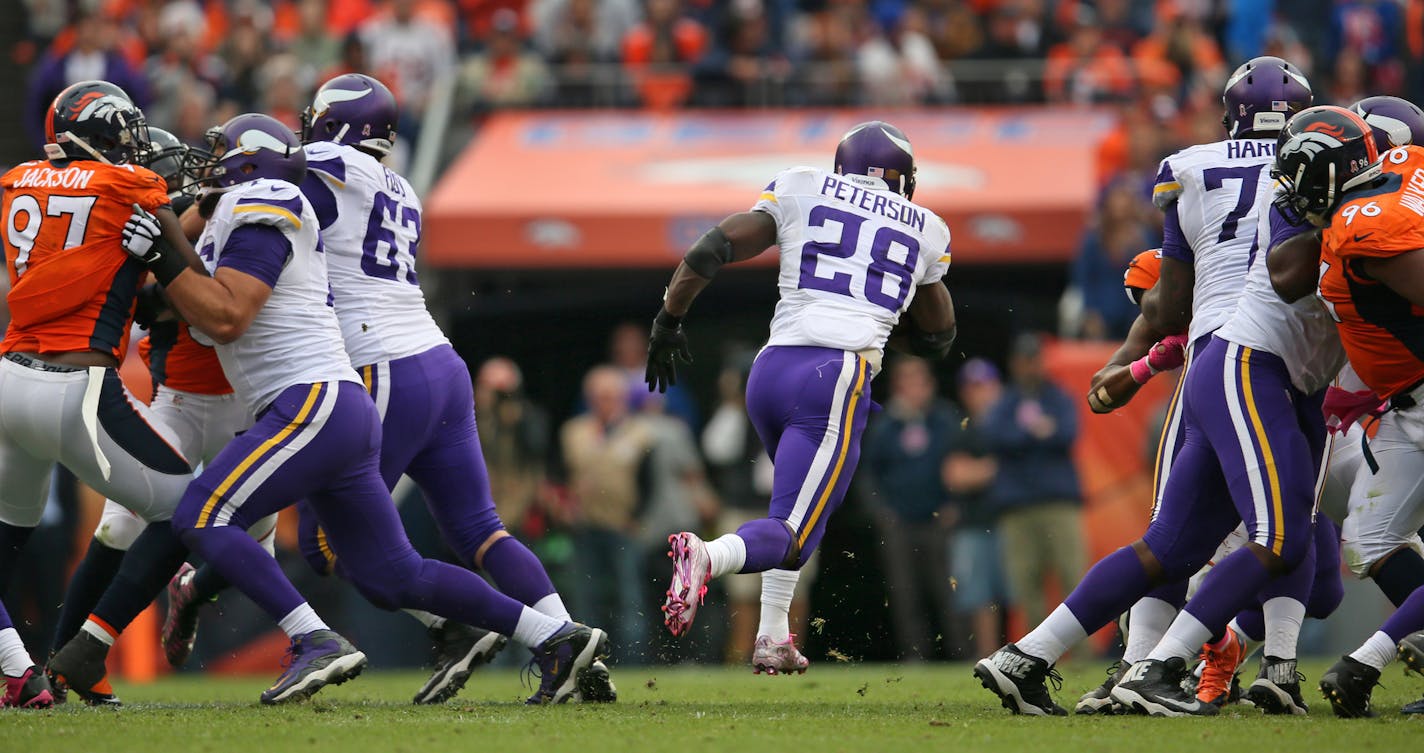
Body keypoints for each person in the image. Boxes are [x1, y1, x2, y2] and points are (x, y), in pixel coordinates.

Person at [48, 112, 608, 707]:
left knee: (201, 515)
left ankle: (312, 639)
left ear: (254, 166)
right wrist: (157, 259)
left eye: (221, 155)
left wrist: (164, 254)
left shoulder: (267, 200)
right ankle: (554, 637)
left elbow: (224, 316)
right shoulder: (241, 216)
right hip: (345, 400)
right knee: (392, 575)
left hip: (314, 400)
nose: (208, 166)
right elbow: (188, 309)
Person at [975, 55, 1316, 717]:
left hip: (1210, 359)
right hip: (1261, 361)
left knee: (1170, 546)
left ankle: (1027, 655)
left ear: (1230, 116)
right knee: (1284, 534)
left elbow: (1168, 305)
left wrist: (1143, 358)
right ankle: (1165, 666)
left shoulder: (1188, 168)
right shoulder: (1315, 171)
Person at [645, 120, 957, 646]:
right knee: (793, 533)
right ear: (902, 177)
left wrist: (667, 322)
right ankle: (707, 555)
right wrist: (876, 319)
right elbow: (937, 339)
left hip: (770, 371)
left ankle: (772, 636)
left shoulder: (802, 183)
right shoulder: (927, 226)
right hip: (833, 376)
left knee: (791, 511)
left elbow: (710, 248)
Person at [0, 80, 193, 710]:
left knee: (7, 541)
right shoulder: (128, 188)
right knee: (191, 512)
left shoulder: (18, 180)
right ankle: (89, 643)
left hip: (10, 381)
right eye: (125, 134)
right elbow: (168, 229)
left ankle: (17, 670)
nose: (134, 148)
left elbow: (77, 249)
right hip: (73, 388)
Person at [1263, 106, 1424, 717]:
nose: (1287, 191)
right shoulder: (1397, 172)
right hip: (1406, 403)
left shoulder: (1364, 223)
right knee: (1369, 537)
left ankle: (1369, 659)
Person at [980, 334, 1085, 632]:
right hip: (1017, 505)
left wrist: (1023, 435)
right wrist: (1035, 432)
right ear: (1014, 364)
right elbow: (994, 436)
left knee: (1072, 576)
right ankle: (1035, 652)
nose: (1029, 367)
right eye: (1024, 361)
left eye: (1034, 360)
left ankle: (1083, 652)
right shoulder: (1005, 401)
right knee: (1026, 582)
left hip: (1058, 501)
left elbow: (1067, 433)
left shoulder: (1059, 397)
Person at [862, 356, 961, 660]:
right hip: (899, 524)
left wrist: (955, 505)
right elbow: (867, 474)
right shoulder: (885, 424)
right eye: (907, 381)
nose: (914, 388)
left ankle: (961, 655)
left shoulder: (945, 419)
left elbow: (962, 461)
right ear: (897, 386)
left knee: (949, 592)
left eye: (919, 380)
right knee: (905, 594)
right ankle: (915, 656)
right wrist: (882, 512)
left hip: (938, 522)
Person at [946, 358, 1008, 660]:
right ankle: (988, 658)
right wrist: (995, 468)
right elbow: (955, 476)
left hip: (1011, 521)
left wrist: (979, 471)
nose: (979, 393)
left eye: (984, 386)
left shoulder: (1011, 422)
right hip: (975, 523)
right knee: (980, 597)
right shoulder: (961, 429)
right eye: (972, 388)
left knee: (1020, 593)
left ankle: (1026, 656)